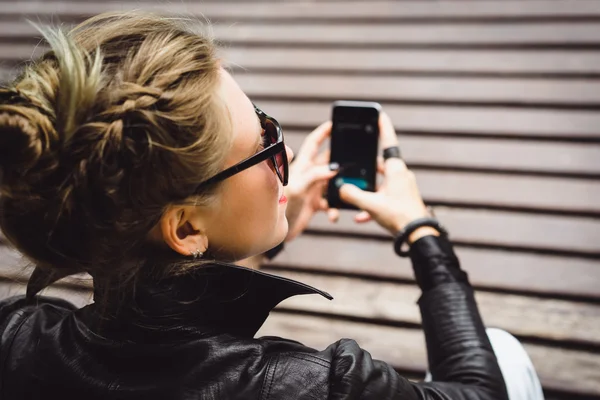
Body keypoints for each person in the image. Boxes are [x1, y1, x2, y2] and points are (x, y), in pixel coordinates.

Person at [0, 12, 544, 400]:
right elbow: (479, 390)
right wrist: (421, 230)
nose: (282, 155)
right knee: (503, 351)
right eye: (264, 144)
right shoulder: (318, 385)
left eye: (268, 124)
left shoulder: (17, 337)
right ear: (185, 227)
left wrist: (256, 241)